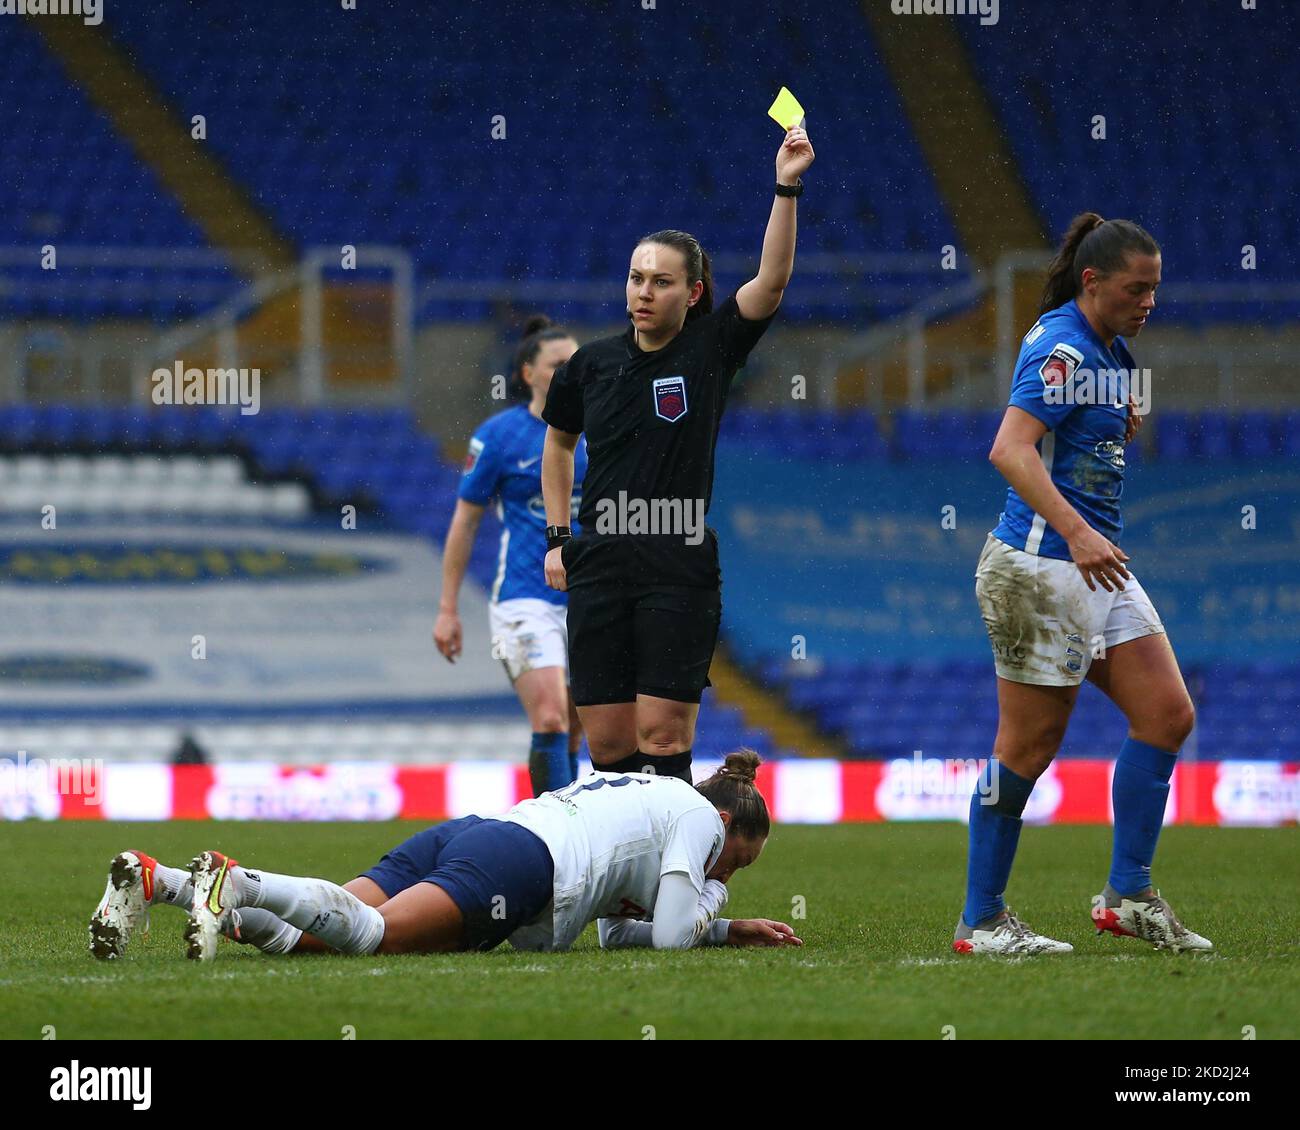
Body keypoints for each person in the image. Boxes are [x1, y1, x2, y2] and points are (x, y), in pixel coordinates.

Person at [956, 212, 1212, 956]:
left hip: (1096, 566)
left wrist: (1111, 425)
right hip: (1042, 567)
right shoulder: (1063, 345)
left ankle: (1127, 896)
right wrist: (1075, 529)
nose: (1150, 300)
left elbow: (1076, 437)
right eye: (1138, 287)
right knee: (1027, 749)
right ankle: (980, 922)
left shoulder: (1110, 350)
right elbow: (1010, 449)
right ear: (1094, 281)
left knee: (1167, 714)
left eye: (1157, 288)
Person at [539, 125, 815, 785]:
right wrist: (557, 537)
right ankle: (619, 886)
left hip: (676, 558)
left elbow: (771, 282)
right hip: (599, 558)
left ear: (691, 294)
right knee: (606, 747)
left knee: (662, 738)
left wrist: (785, 185)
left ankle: (671, 884)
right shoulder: (590, 364)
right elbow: (557, 442)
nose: (642, 292)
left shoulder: (710, 349)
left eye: (660, 282)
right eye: (635, 278)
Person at [88, 751, 802, 961]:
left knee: (310, 939)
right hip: (521, 866)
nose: (724, 870)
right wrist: (719, 907)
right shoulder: (696, 819)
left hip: (480, 832)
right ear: (721, 822)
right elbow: (675, 935)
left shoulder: (655, 805)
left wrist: (725, 926)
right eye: (736, 859)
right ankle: (235, 878)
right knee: (374, 938)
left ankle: (159, 881)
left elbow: (619, 932)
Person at [434, 317, 589, 795]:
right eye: (557, 364)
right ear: (528, 374)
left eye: (575, 363)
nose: (569, 372)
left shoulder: (603, 428)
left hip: (592, 598)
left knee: (580, 728)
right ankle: (557, 836)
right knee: (550, 716)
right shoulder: (499, 436)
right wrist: (447, 608)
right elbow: (466, 521)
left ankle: (568, 828)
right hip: (524, 597)